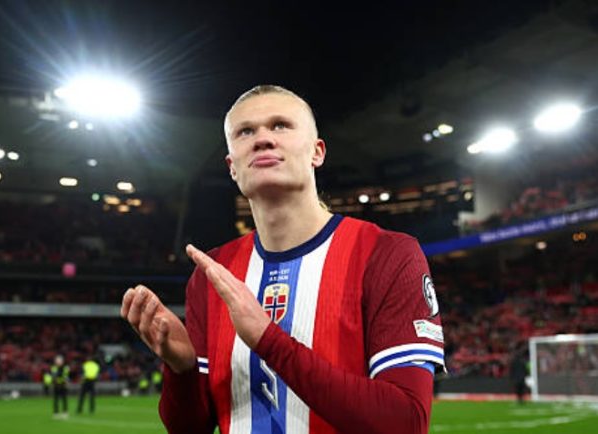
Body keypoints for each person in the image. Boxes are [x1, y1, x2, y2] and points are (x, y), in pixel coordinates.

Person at [121, 85, 445, 434]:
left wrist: (269, 340)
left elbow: (406, 423)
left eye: (280, 125)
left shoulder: (386, 254)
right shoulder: (212, 273)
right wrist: (182, 369)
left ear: (317, 152)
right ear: (232, 167)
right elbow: (191, 427)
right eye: (245, 131)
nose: (262, 139)